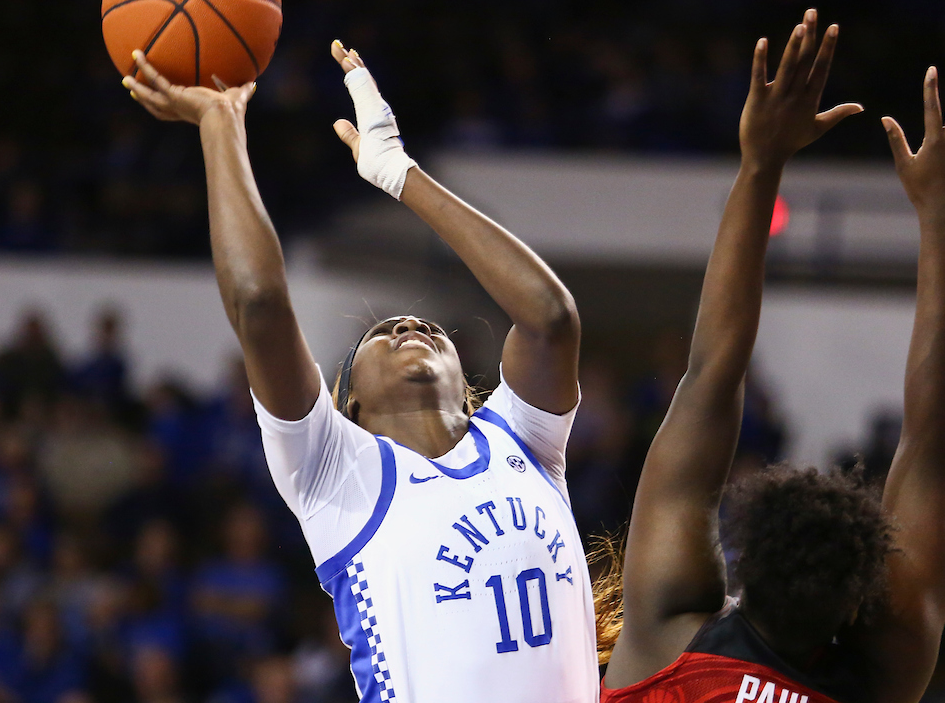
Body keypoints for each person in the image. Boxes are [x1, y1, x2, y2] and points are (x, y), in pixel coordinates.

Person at [123, 41, 596, 702]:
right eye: (380, 334)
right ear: (350, 406)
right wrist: (219, 124)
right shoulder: (335, 471)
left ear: (467, 380)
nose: (407, 326)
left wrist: (400, 173)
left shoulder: (525, 440)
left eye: (424, 327)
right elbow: (258, 303)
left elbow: (550, 317)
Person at [600, 10, 945, 703]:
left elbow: (710, 376)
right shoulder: (879, 678)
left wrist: (761, 163)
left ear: (742, 565)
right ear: (862, 605)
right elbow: (934, 440)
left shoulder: (668, 639)